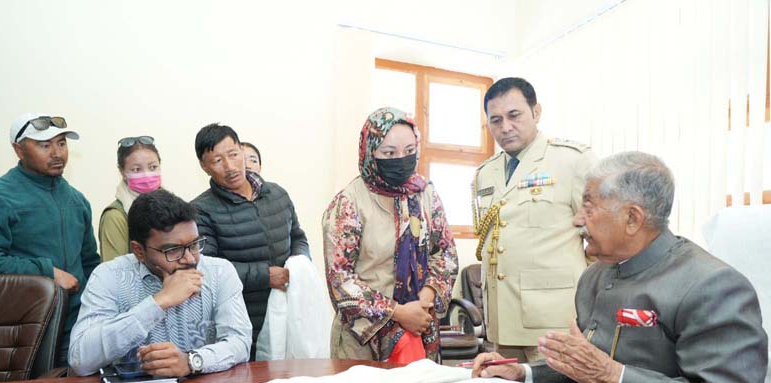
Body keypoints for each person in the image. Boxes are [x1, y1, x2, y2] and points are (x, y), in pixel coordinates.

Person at [473, 152, 767, 383]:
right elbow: (589, 369)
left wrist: (615, 377)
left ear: (632, 218)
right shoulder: (595, 276)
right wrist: (523, 373)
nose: (577, 219)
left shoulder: (712, 286)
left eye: (589, 206)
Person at [472, 77, 597, 362]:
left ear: (536, 112)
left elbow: (602, 240)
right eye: (496, 120)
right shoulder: (485, 174)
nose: (505, 127)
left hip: (554, 323)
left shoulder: (573, 161)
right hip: (502, 322)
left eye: (514, 115)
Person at [322, 107, 458, 361]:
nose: (401, 159)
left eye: (409, 151)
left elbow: (445, 253)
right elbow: (341, 280)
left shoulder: (425, 193)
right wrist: (397, 312)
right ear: (369, 152)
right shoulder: (348, 204)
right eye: (389, 153)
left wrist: (425, 299)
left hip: (419, 328)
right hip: (364, 340)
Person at [69, 189, 252, 376]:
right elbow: (80, 360)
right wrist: (158, 303)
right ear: (139, 251)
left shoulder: (219, 272)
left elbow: (240, 342)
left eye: (194, 245)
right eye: (173, 250)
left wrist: (192, 361)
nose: (189, 259)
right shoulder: (109, 276)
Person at [0, 113, 100, 365]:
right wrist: (47, 272)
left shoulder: (77, 200)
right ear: (19, 150)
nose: (57, 153)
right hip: (17, 335)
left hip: (75, 328)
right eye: (44, 145)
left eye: (61, 143)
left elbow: (90, 263)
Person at [191, 124, 309, 359]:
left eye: (234, 154)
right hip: (242, 320)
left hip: (289, 311)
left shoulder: (277, 194)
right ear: (204, 167)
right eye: (217, 160)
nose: (230, 166)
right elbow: (209, 268)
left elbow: (298, 236)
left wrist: (300, 264)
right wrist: (265, 276)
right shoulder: (201, 210)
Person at [99, 135, 163, 261]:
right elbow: (114, 274)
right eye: (136, 169)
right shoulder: (116, 217)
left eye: (153, 167)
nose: (146, 175)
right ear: (122, 172)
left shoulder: (173, 207)